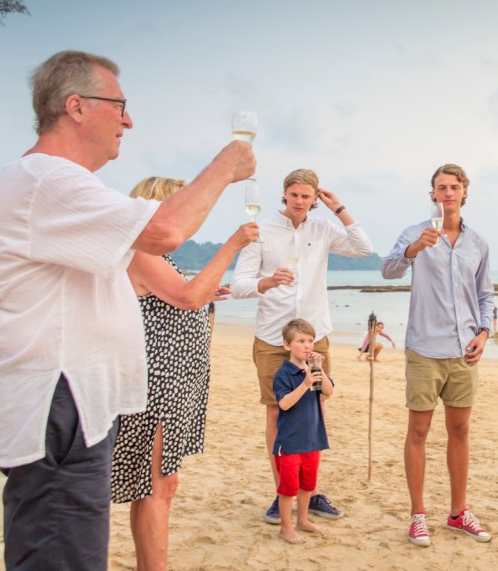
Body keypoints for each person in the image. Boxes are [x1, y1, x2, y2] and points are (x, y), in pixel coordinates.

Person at [0, 50, 255, 569]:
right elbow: (165, 231)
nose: (129, 119)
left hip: (74, 405)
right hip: (57, 403)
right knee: (63, 554)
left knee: (72, 549)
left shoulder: (63, 187)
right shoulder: (45, 181)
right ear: (75, 107)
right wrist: (227, 165)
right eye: (119, 105)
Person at [111, 176, 259, 570]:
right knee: (159, 486)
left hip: (174, 382)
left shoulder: (151, 255)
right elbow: (186, 296)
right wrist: (232, 245)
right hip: (158, 384)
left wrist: (205, 290)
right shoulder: (142, 252)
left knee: (154, 486)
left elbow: (182, 294)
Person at [230, 168, 372, 524]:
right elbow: (239, 284)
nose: (299, 201)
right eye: (294, 194)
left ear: (314, 199)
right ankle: (283, 496)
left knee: (315, 413)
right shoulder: (261, 231)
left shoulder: (323, 228)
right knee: (277, 414)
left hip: (314, 334)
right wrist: (267, 281)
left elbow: (363, 249)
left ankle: (309, 492)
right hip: (271, 337)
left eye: (306, 196)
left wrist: (339, 208)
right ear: (285, 194)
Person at [381, 163, 495, 547]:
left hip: (464, 350)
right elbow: (388, 271)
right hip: (425, 348)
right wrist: (414, 249)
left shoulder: (478, 243)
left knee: (460, 430)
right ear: (432, 194)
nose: (447, 193)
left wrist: (484, 332)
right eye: (440, 187)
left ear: (464, 192)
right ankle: (418, 515)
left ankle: (458, 512)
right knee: (418, 431)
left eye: (454, 187)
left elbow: (485, 295)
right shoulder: (414, 234)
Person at [272, 318, 334, 544]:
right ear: (288, 345)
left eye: (310, 341)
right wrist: (305, 383)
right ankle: (285, 528)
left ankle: (303, 520)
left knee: (307, 485)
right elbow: (284, 404)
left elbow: (328, 392)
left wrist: (319, 370)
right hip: (289, 442)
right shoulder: (285, 373)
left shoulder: (313, 371)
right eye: (301, 341)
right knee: (288, 488)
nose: (307, 346)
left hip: (312, 439)